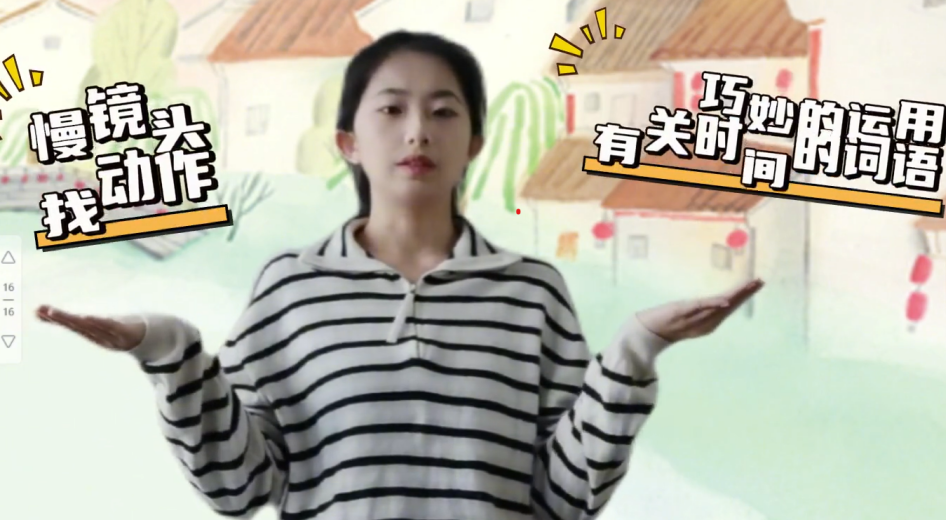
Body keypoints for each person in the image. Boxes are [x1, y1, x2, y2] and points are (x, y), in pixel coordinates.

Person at [37, 31, 764, 520]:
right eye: (391, 109)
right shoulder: (291, 288)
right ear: (348, 141)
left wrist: (635, 350)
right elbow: (240, 487)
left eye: (443, 111)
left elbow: (565, 498)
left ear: (473, 143)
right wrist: (170, 352)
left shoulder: (531, 292)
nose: (418, 130)